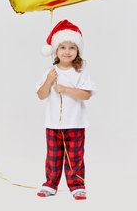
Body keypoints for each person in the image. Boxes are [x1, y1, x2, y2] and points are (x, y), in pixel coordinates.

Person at [35, 19, 97, 200]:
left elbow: (86, 95)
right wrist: (49, 81)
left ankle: (77, 185)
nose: (67, 51)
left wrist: (66, 89)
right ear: (55, 50)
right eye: (63, 47)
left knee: (75, 157)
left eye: (72, 47)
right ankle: (50, 184)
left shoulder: (80, 72)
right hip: (53, 124)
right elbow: (41, 95)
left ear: (78, 50)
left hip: (75, 123)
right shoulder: (50, 72)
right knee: (53, 158)